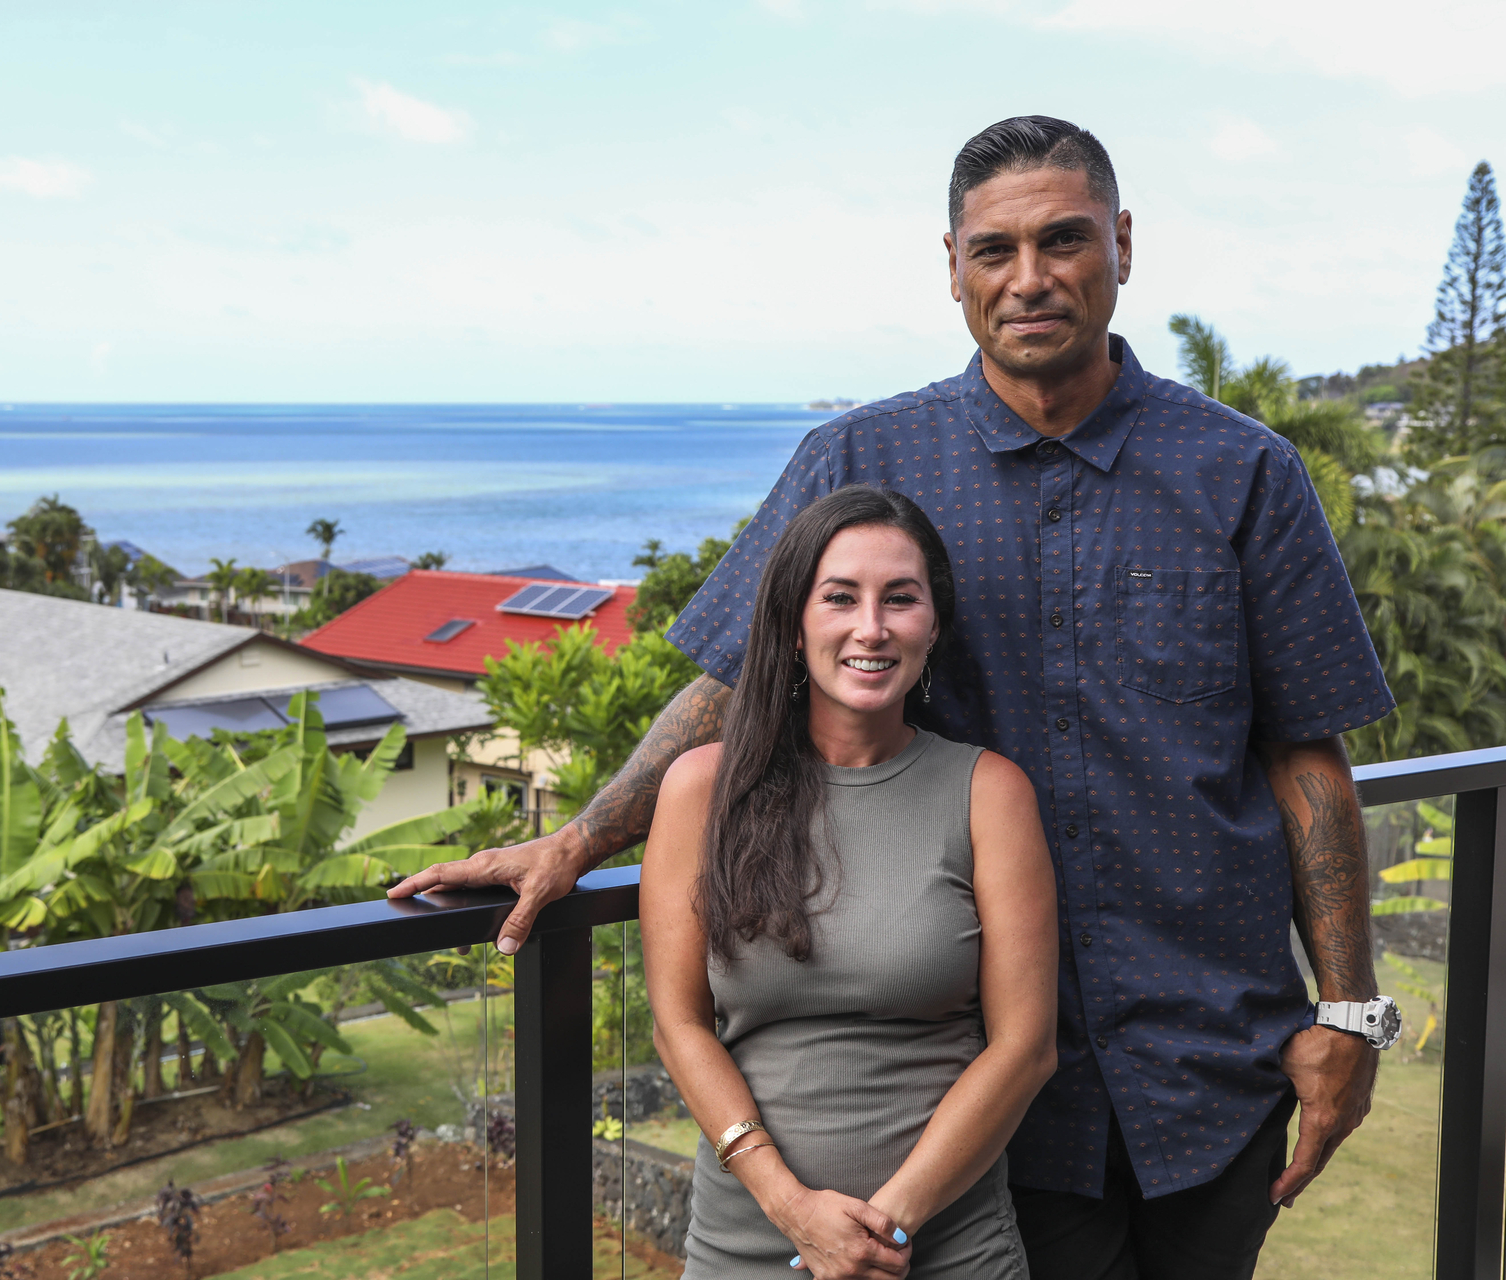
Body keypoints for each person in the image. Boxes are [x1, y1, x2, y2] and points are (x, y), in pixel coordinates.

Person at [393, 114, 1399, 1278]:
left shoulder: (1244, 471)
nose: (1029, 278)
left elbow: (1304, 751)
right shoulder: (860, 462)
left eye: (1065, 239)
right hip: (985, 1102)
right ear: (953, 266)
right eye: (994, 250)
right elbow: (734, 682)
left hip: (1213, 1070)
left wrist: (1349, 1011)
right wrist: (575, 840)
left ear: (1122, 244)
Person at [642, 485, 1056, 1278]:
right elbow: (678, 1027)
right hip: (746, 1246)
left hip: (947, 1249)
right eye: (839, 597)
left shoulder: (989, 793)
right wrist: (792, 1210)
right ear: (793, 624)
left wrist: (881, 1232)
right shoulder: (701, 790)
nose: (872, 627)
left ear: (933, 626)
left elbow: (1025, 1048)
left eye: (900, 598)